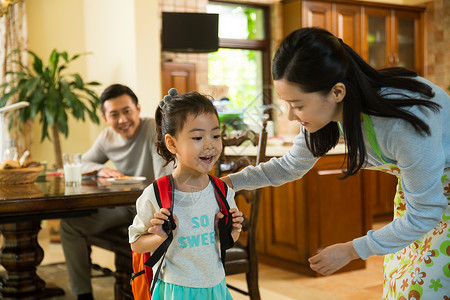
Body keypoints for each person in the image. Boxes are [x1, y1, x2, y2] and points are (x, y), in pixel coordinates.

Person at [222, 27, 450, 299]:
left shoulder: (400, 125)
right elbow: (289, 166)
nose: (291, 116)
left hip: (432, 203)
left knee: (424, 290)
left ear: (337, 92)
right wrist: (228, 183)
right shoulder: (327, 116)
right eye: (286, 103)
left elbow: (425, 213)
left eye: (297, 104)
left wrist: (352, 250)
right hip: (422, 201)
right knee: (404, 284)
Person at [60, 84, 173, 300]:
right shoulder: (107, 137)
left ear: (138, 108)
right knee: (70, 226)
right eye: (114, 114)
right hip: (123, 208)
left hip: (152, 211)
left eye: (127, 111)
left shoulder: (154, 129)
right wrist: (102, 169)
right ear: (105, 117)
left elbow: (163, 179)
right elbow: (81, 163)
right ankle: (84, 294)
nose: (122, 120)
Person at [129, 90, 244, 299]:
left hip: (215, 286)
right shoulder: (156, 194)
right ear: (172, 143)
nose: (210, 144)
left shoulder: (222, 191)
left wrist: (231, 230)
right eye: (198, 137)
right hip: (175, 291)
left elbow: (228, 240)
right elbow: (136, 243)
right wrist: (158, 237)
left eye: (216, 135)